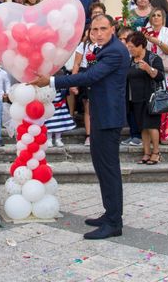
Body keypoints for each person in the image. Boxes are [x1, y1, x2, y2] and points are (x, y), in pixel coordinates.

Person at [32, 14, 130, 240]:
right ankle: (110, 214)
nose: (98, 33)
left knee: (109, 170)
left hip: (109, 117)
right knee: (102, 167)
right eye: (94, 29)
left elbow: (92, 76)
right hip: (101, 115)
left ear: (113, 29)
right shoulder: (104, 49)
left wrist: (53, 81)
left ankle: (114, 222)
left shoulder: (115, 51)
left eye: (103, 28)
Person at [125, 31, 165, 164]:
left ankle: (156, 152)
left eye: (132, 47)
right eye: (128, 47)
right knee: (142, 126)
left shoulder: (153, 58)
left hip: (150, 98)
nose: (130, 50)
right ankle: (146, 152)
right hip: (135, 98)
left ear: (141, 45)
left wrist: (148, 69)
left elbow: (160, 76)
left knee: (152, 126)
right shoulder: (130, 61)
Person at [144, 8, 168, 144]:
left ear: (163, 18)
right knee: (152, 101)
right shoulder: (146, 32)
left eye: (159, 15)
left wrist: (156, 41)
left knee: (166, 101)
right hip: (150, 70)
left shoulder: (167, 32)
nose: (156, 18)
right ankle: (153, 135)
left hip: (166, 71)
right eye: (153, 15)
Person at [71, 28, 97, 146]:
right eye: (92, 32)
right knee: (88, 107)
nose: (94, 35)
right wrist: (73, 82)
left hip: (99, 75)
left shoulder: (106, 45)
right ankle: (89, 135)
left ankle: (99, 135)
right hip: (86, 74)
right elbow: (76, 63)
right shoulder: (83, 45)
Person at [117, 27, 141, 147]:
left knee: (137, 111)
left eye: (125, 39)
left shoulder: (136, 53)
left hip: (137, 89)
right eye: (120, 39)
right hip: (125, 88)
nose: (123, 42)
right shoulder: (120, 53)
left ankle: (138, 135)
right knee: (129, 110)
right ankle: (133, 134)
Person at [44, 78, 76, 147]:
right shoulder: (45, 87)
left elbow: (67, 94)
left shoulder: (63, 87)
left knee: (60, 124)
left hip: (60, 108)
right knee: (49, 124)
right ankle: (49, 139)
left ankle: (58, 139)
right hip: (49, 108)